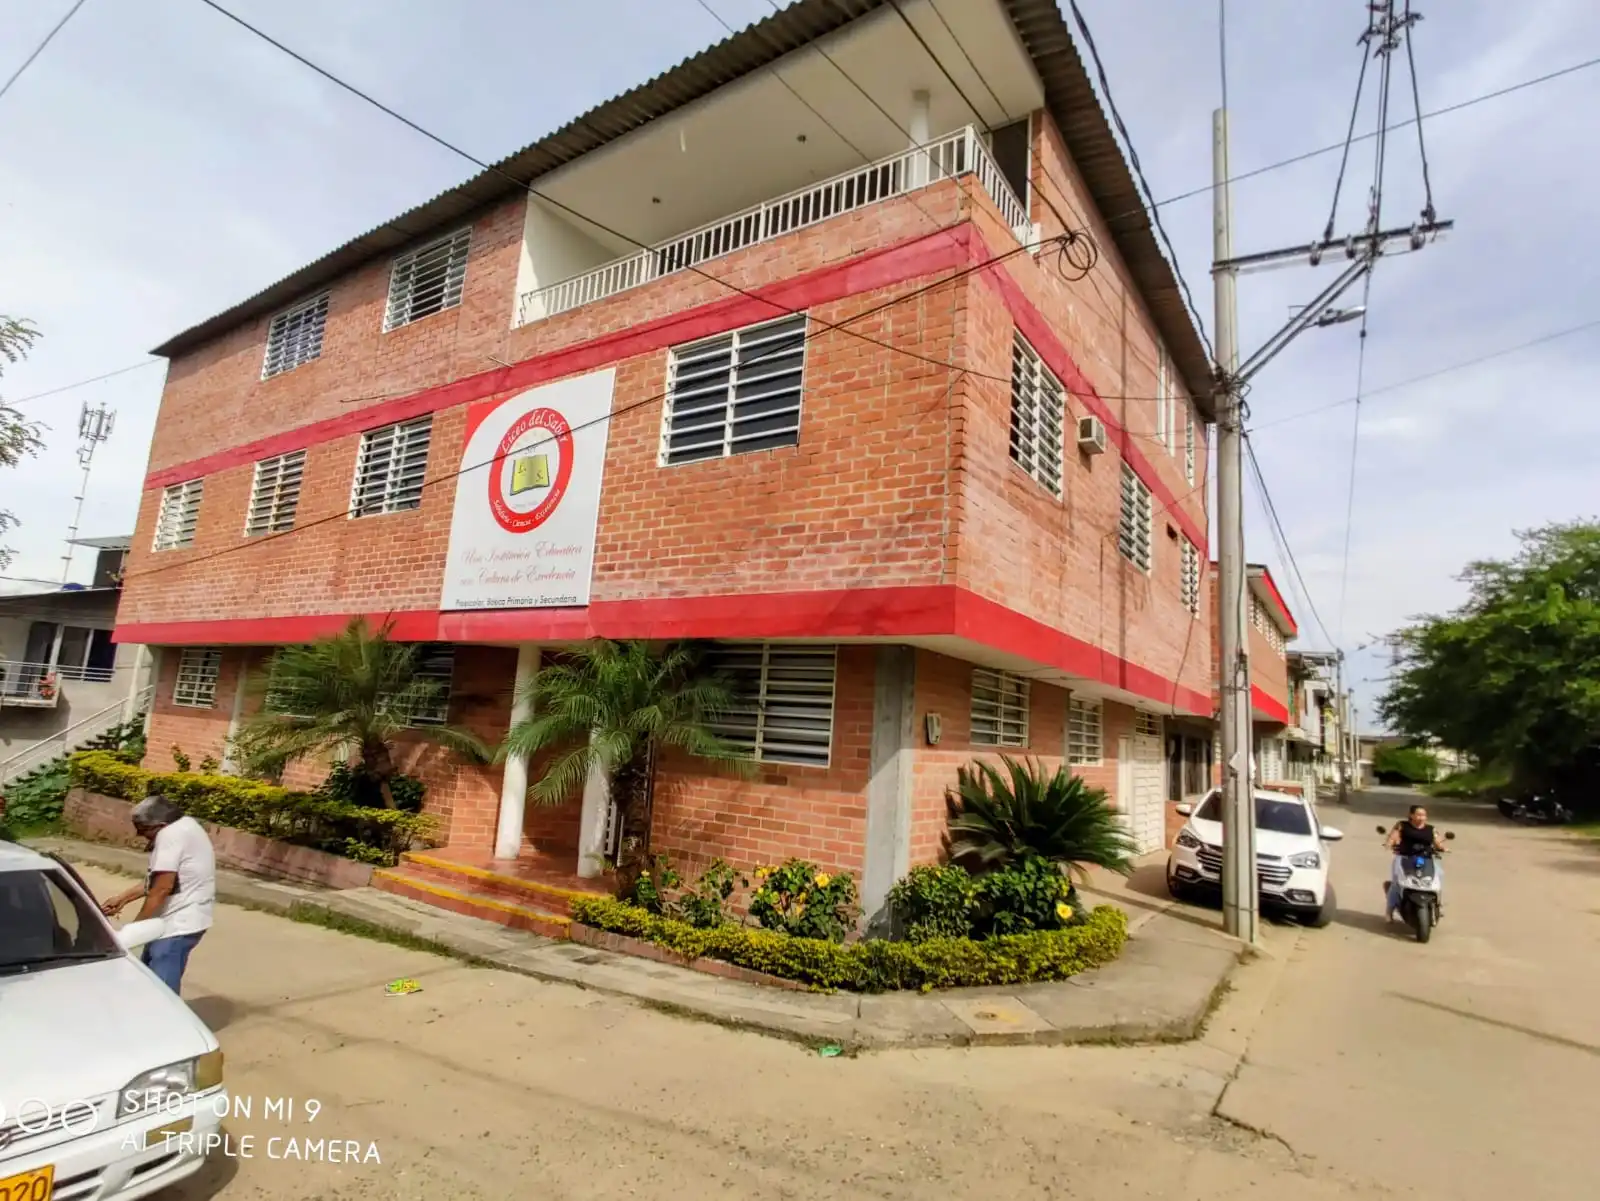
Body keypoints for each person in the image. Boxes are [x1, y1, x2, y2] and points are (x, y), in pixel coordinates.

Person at [100, 795, 216, 993]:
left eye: (143, 830)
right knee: (147, 976)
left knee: (161, 988)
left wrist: (134, 929)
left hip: (179, 923)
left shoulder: (170, 836)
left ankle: (164, 1022)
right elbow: (157, 879)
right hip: (178, 920)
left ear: (160, 824)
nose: (140, 835)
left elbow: (161, 888)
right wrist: (123, 898)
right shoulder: (184, 825)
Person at [1383, 804, 1447, 921]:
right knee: (1396, 881)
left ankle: (1437, 904)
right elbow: (1393, 837)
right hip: (1404, 857)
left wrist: (1442, 847)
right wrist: (1389, 843)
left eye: (1424, 815)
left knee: (1440, 875)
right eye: (1418, 814)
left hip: (1426, 858)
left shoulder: (1430, 829)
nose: (1421, 817)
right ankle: (1389, 910)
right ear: (1411, 815)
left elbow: (1437, 841)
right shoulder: (1402, 825)